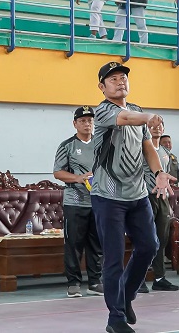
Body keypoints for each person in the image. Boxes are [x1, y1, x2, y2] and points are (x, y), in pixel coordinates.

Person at [91, 62, 175, 333]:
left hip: (138, 195)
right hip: (108, 196)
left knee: (150, 246)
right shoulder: (103, 111)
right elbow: (126, 119)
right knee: (114, 257)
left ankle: (126, 297)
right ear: (102, 87)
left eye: (123, 78)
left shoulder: (138, 111)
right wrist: (149, 117)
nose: (120, 82)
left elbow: (148, 146)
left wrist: (159, 173)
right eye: (113, 79)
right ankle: (115, 318)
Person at [53, 106, 103, 298]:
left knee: (96, 244)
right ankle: (73, 283)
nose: (87, 124)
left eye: (90, 120)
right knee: (74, 243)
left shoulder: (101, 144)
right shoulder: (67, 145)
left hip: (98, 201)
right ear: (75, 124)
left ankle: (95, 282)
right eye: (82, 121)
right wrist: (78, 178)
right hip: (75, 201)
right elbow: (58, 172)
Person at [142, 118, 179, 292]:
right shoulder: (142, 148)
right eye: (152, 126)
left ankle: (159, 277)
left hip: (162, 198)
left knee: (161, 239)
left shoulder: (166, 152)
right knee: (145, 239)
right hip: (145, 196)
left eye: (159, 126)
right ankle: (139, 278)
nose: (156, 128)